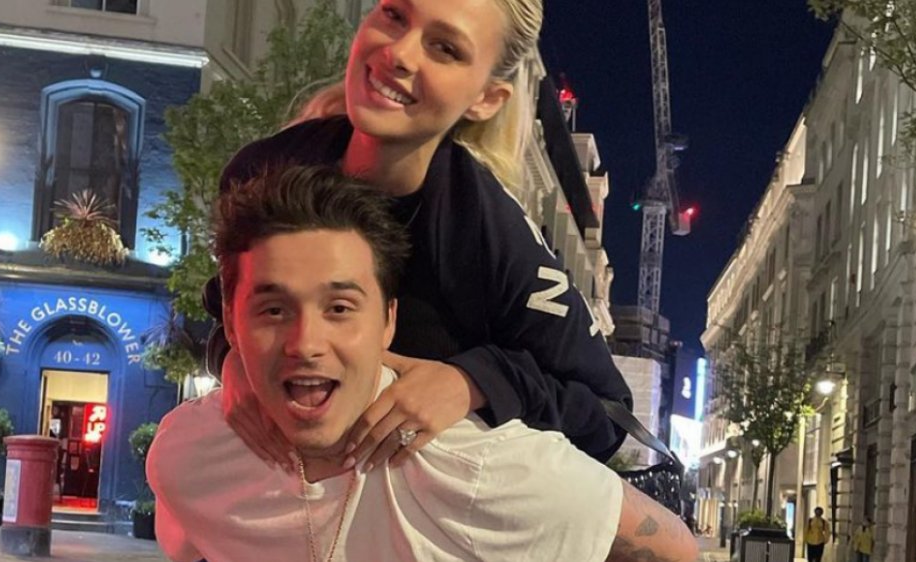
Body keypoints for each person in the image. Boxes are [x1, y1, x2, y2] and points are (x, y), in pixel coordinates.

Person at [149, 166, 697, 562]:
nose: (305, 343)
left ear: (388, 320)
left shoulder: (472, 467)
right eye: (273, 310)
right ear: (230, 319)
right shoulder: (189, 453)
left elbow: (674, 548)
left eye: (340, 308)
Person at [215, 0, 633, 477]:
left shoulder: (490, 232)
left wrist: (472, 383)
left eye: (445, 48)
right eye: (394, 15)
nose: (400, 53)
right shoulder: (261, 172)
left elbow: (608, 413)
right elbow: (225, 302)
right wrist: (229, 358)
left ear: (486, 98)